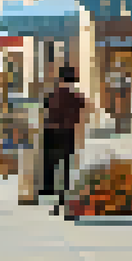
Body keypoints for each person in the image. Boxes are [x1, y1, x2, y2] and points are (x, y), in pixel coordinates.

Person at [39, 66, 89, 213]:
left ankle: (50, 191)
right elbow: (83, 110)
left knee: (50, 164)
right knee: (66, 164)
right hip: (68, 132)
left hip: (51, 131)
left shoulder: (52, 95)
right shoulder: (76, 97)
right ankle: (63, 194)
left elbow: (45, 109)